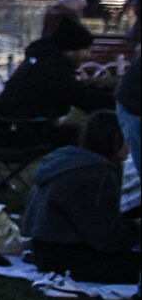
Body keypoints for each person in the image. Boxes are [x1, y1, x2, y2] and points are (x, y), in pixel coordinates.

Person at [19, 111, 137, 285]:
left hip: (43, 251)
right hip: (69, 258)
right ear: (114, 139)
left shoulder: (67, 161)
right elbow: (104, 236)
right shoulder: (95, 172)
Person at [0, 10, 104, 144]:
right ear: (70, 50)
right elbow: (78, 96)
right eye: (85, 50)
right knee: (91, 136)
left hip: (12, 129)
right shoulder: (51, 67)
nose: (88, 56)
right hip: (20, 134)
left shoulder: (42, 61)